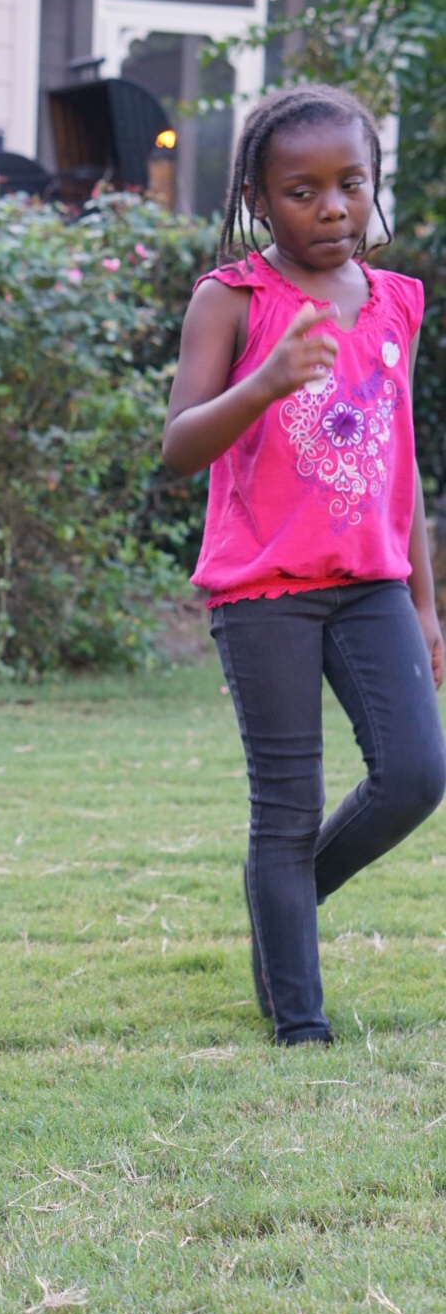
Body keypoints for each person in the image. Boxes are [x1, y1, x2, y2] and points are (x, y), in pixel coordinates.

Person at [163, 83, 446, 1046]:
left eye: (350, 184)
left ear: (374, 186)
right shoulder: (232, 299)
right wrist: (266, 380)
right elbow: (179, 446)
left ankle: (281, 902)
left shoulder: (396, 301)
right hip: (264, 590)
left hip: (371, 586)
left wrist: (425, 601)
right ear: (257, 195)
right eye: (302, 190)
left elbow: (400, 459)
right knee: (286, 806)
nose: (331, 207)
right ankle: (301, 1022)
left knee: (416, 775)